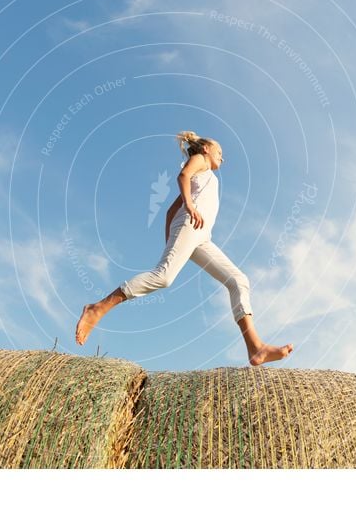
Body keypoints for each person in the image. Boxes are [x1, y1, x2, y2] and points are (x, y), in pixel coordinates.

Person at [74, 131, 293, 366]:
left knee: (238, 281)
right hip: (191, 224)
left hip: (200, 235)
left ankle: (255, 347)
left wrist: (172, 239)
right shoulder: (200, 160)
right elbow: (183, 175)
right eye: (220, 151)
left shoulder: (206, 177)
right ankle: (97, 308)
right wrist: (189, 207)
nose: (223, 157)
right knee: (164, 277)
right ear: (206, 149)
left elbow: (170, 212)